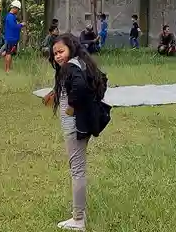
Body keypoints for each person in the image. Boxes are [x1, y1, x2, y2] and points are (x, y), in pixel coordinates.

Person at [44, 32, 110, 230]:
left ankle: (78, 219)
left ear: (71, 48)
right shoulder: (80, 63)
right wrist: (55, 93)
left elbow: (79, 87)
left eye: (61, 51)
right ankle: (79, 213)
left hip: (75, 127)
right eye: (55, 53)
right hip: (81, 125)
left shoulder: (72, 66)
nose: (57, 56)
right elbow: (100, 80)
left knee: (77, 170)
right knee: (77, 168)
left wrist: (71, 106)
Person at [3, 0, 24, 73]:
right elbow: (13, 27)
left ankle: (8, 69)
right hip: (11, 38)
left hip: (11, 38)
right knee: (8, 53)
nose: (18, 11)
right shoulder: (10, 17)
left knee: (9, 53)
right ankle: (7, 70)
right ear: (14, 8)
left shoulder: (11, 16)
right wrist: (21, 25)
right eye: (17, 9)